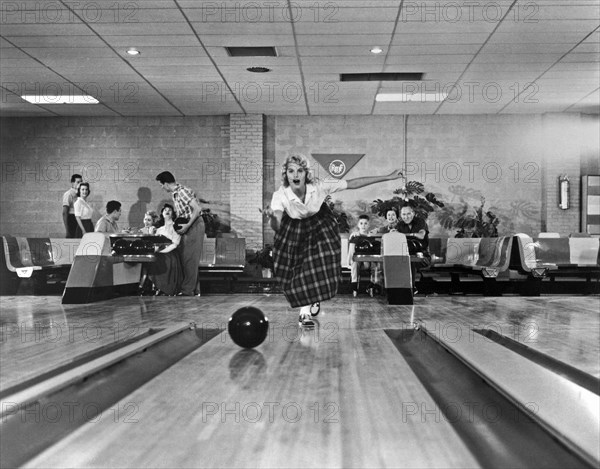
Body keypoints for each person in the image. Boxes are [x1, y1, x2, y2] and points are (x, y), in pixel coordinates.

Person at [264, 154, 403, 326]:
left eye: (300, 170)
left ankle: (307, 307)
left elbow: (353, 183)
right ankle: (307, 304)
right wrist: (271, 217)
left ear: (306, 174)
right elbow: (277, 224)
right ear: (286, 175)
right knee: (297, 268)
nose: (295, 175)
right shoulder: (280, 194)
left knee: (317, 263)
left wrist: (388, 177)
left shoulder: (320, 185)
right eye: (291, 171)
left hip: (320, 223)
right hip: (294, 226)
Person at [156, 171, 205, 296]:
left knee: (190, 259)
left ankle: (187, 290)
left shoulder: (182, 192)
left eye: (161, 185)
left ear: (166, 184)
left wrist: (188, 225)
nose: (162, 188)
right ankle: (193, 289)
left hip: (193, 225)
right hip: (187, 225)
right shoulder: (176, 194)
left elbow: (197, 209)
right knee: (186, 257)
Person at [148, 204, 182, 296]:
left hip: (171, 253)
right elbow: (155, 243)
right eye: (165, 210)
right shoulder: (159, 229)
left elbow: (175, 244)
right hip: (160, 252)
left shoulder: (176, 226)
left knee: (163, 260)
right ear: (162, 213)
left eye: (169, 210)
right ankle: (157, 287)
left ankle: (166, 288)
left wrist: (162, 252)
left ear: (173, 213)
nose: (167, 211)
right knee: (151, 259)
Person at [395, 204, 431, 293]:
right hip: (405, 255)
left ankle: (411, 288)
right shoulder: (400, 225)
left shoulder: (420, 222)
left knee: (410, 261)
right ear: (400, 215)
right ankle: (395, 290)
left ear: (413, 213)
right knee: (397, 260)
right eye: (403, 214)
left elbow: (421, 235)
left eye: (408, 214)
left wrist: (411, 234)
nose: (406, 217)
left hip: (423, 256)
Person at [347, 215, 380, 297]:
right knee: (355, 262)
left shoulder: (371, 237)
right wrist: (349, 262)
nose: (363, 225)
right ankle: (354, 287)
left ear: (368, 225)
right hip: (357, 263)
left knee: (374, 264)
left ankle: (372, 285)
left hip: (367, 262)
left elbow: (374, 253)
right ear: (358, 225)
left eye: (365, 223)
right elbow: (351, 251)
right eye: (361, 223)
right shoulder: (355, 237)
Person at [62, 174, 82, 238]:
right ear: (72, 183)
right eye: (78, 182)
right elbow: (64, 213)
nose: (80, 184)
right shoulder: (68, 194)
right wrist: (67, 231)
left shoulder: (80, 194)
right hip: (72, 220)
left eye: (81, 182)